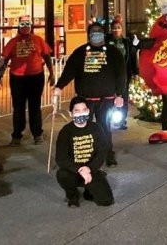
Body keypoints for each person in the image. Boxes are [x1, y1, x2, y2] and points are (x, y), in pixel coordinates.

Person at [53, 21, 126, 166]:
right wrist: (59, 86)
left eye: (99, 31)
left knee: (104, 129)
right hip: (85, 101)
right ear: (89, 34)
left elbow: (121, 75)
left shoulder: (113, 53)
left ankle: (108, 154)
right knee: (83, 130)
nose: (96, 34)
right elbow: (69, 71)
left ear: (104, 33)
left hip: (106, 99)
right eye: (93, 31)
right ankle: (84, 157)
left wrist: (120, 94)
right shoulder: (80, 53)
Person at [0, 14, 55, 145]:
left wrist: (52, 73)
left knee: (35, 106)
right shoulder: (13, 42)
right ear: (18, 26)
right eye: (22, 25)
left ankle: (37, 134)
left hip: (36, 77)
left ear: (31, 26)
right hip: (17, 78)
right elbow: (5, 59)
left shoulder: (38, 40)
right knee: (18, 107)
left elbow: (47, 57)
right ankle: (17, 135)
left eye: (27, 24)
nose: (25, 27)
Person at [55, 96, 114, 208]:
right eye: (77, 111)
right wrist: (80, 169)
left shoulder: (96, 128)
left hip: (91, 170)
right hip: (73, 171)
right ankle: (72, 195)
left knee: (106, 201)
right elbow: (61, 158)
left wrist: (89, 168)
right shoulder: (66, 131)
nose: (81, 114)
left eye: (84, 110)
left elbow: (102, 152)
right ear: (71, 113)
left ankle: (89, 190)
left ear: (88, 111)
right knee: (62, 175)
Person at [106, 16, 135, 130]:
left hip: (123, 74)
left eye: (118, 28)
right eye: (114, 28)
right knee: (109, 97)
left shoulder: (126, 42)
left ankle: (122, 120)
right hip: (109, 74)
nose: (116, 30)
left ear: (122, 29)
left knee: (123, 97)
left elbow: (131, 58)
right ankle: (108, 119)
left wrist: (134, 71)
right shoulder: (107, 42)